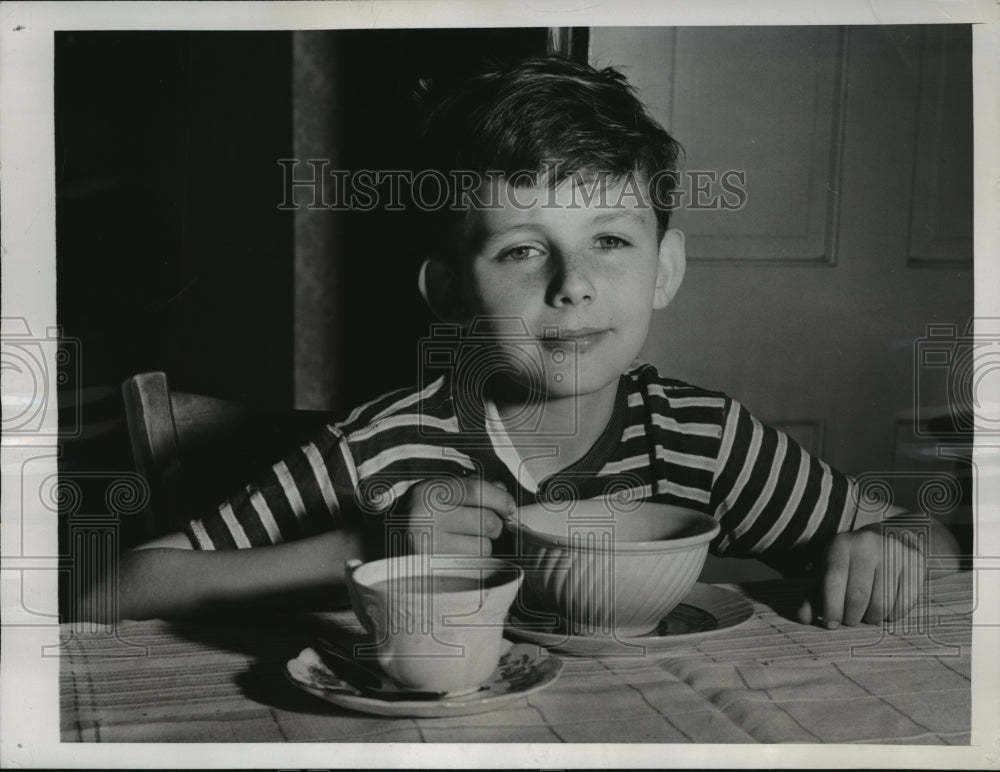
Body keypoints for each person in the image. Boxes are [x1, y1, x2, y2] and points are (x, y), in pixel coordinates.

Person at [95, 55, 959, 627]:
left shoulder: (705, 440)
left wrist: (886, 550)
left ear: (664, 269)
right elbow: (110, 591)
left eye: (611, 242)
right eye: (520, 249)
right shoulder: (381, 450)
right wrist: (362, 551)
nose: (573, 283)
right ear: (447, 293)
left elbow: (936, 544)